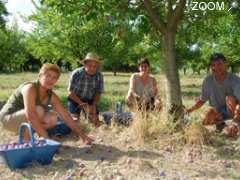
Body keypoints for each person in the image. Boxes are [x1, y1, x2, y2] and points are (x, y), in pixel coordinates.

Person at [0, 63, 93, 145]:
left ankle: (25, 139)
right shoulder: (30, 88)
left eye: (54, 78)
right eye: (48, 75)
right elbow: (31, 115)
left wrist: (82, 135)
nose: (50, 80)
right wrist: (47, 139)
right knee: (39, 110)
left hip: (23, 119)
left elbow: (66, 116)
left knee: (52, 118)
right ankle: (26, 140)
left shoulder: (51, 95)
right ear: (40, 76)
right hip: (8, 119)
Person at [186, 53, 240, 133]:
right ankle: (221, 124)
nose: (216, 67)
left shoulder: (235, 80)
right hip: (217, 113)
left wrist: (236, 120)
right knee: (206, 118)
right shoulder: (208, 81)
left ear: (226, 64)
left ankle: (234, 123)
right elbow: (202, 100)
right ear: (211, 67)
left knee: (229, 98)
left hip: (233, 112)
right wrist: (188, 110)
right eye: (213, 65)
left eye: (219, 64)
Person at [67, 52, 104, 127]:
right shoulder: (76, 73)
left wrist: (93, 105)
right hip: (75, 99)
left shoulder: (99, 75)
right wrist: (82, 104)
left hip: (90, 100)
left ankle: (90, 116)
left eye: (95, 66)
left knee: (94, 122)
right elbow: (70, 93)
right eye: (90, 65)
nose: (92, 68)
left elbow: (98, 92)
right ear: (85, 64)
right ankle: (75, 115)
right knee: (74, 122)